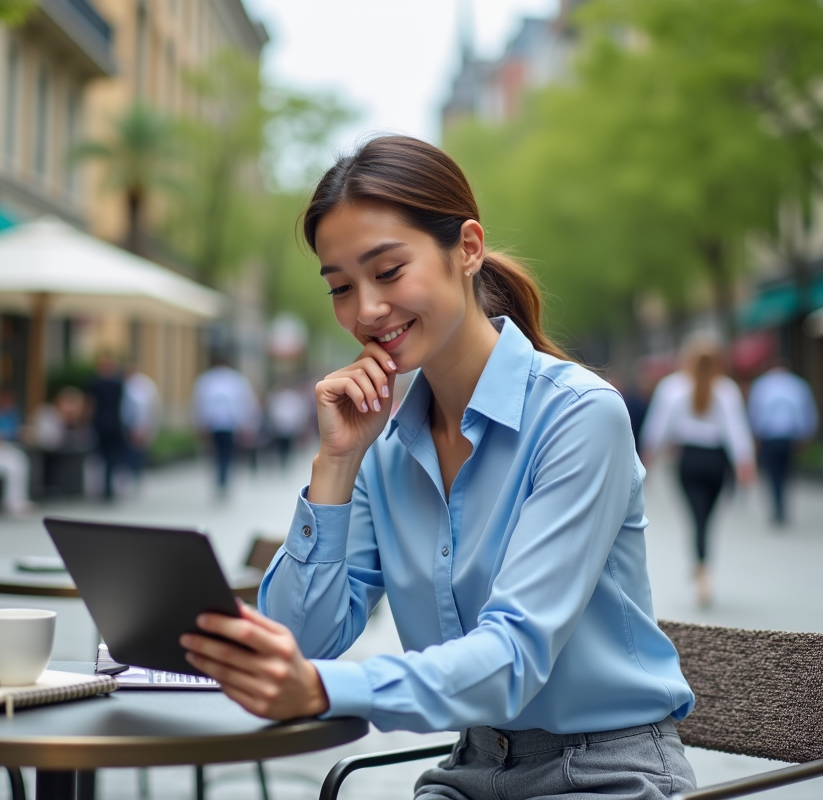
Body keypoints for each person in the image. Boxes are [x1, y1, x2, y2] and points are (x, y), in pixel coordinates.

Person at [179, 136, 696, 799]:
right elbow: (302, 642)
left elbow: (513, 656)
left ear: (469, 248)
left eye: (388, 272)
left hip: (603, 776)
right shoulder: (385, 448)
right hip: (470, 772)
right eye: (341, 286)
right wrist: (336, 464)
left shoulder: (578, 416)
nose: (364, 310)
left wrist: (323, 690)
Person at [641, 336, 755, 607]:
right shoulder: (726, 390)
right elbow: (737, 430)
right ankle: (703, 566)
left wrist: (647, 461)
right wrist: (745, 462)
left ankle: (701, 567)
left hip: (689, 460)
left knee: (697, 516)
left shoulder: (672, 388)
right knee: (707, 518)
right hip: (717, 462)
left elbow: (657, 428)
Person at [747, 358, 818, 526]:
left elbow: (754, 412)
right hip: (788, 436)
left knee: (773, 474)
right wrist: (805, 434)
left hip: (770, 436)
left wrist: (754, 436)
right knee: (786, 474)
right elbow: (807, 412)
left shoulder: (762, 385)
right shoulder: (798, 385)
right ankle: (781, 506)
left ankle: (778, 506)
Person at [192, 354, 259, 495]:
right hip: (224, 424)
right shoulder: (234, 380)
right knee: (223, 453)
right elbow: (246, 403)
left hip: (221, 424)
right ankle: (222, 476)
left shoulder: (208, 380)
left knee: (221, 453)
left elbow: (199, 403)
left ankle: (222, 476)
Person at [85, 353, 127, 501]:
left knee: (100, 458)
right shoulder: (118, 383)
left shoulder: (94, 382)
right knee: (112, 458)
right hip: (115, 424)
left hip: (100, 424)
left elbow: (89, 405)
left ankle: (103, 487)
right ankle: (109, 488)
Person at [122, 363, 162, 486]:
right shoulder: (123, 383)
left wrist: (146, 427)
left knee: (137, 452)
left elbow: (150, 407)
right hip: (125, 425)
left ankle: (136, 474)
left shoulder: (145, 385)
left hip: (140, 425)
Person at [266, 380, 310, 469]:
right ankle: (282, 459)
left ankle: (285, 459)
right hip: (280, 424)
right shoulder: (278, 396)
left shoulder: (293, 396)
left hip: (289, 425)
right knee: (281, 444)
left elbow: (299, 410)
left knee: (288, 444)